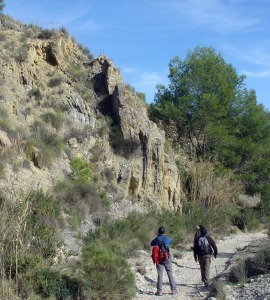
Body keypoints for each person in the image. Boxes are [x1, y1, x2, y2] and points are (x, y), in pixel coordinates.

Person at [151, 226, 177, 296]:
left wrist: (157, 238)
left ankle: (159, 291)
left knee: (160, 275)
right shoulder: (166, 239)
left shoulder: (156, 239)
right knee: (170, 273)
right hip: (166, 258)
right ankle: (173, 290)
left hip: (159, 260)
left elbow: (151, 243)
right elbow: (170, 241)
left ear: (158, 232)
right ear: (164, 232)